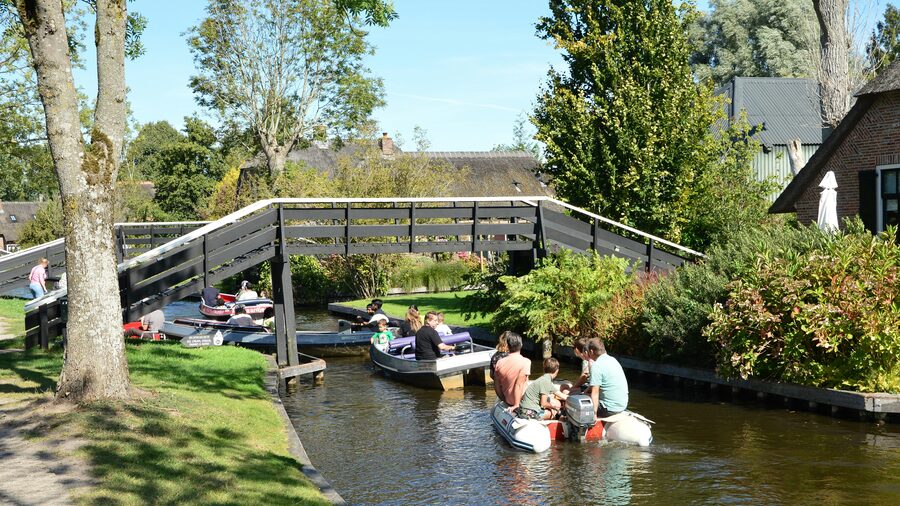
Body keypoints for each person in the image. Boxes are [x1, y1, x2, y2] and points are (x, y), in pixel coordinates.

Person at [586, 338, 629, 417]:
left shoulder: (596, 365)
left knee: (579, 401)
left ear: (591, 351)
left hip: (608, 409)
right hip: (622, 405)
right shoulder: (613, 360)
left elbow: (595, 392)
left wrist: (594, 414)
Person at [493, 331, 531, 413]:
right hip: (522, 401)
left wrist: (504, 399)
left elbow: (496, 386)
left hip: (507, 400)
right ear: (521, 345)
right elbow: (519, 384)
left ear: (508, 346)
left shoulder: (499, 363)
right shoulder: (526, 362)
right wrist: (516, 404)